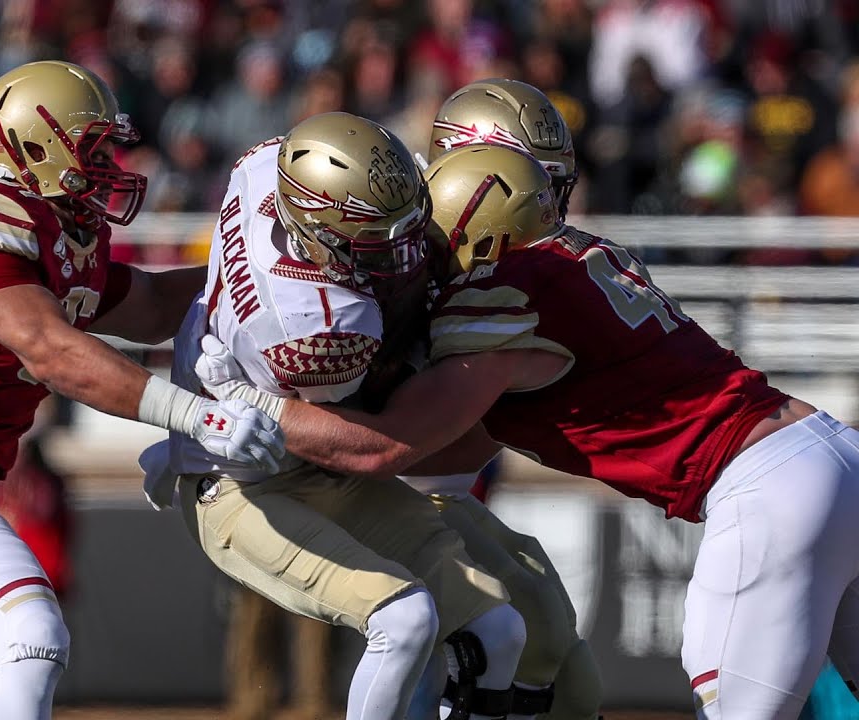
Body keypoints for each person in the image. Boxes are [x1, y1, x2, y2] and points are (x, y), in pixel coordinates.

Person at [196, 143, 859, 720]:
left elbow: (391, 443)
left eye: (429, 241)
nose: (416, 260)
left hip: (766, 489)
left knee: (729, 701)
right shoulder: (580, 260)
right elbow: (463, 446)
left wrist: (253, 405)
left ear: (474, 237)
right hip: (829, 451)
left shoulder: (502, 293)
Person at [0, 60, 284, 720]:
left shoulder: (69, 236)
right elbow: (49, 348)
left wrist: (260, 273)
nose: (110, 164)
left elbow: (151, 305)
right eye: (93, 147)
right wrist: (200, 419)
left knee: (31, 642)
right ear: (35, 145)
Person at [140, 112, 529, 720]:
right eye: (378, 240)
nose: (404, 252)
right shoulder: (326, 329)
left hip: (303, 455)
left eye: (407, 227)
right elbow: (374, 446)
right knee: (404, 618)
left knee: (499, 629)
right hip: (244, 484)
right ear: (313, 233)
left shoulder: (263, 164)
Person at [416, 78, 602, 720]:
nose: (548, 208)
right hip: (376, 485)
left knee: (569, 667)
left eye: (553, 188)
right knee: (519, 633)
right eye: (531, 185)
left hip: (430, 482)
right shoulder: (399, 250)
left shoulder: (505, 271)